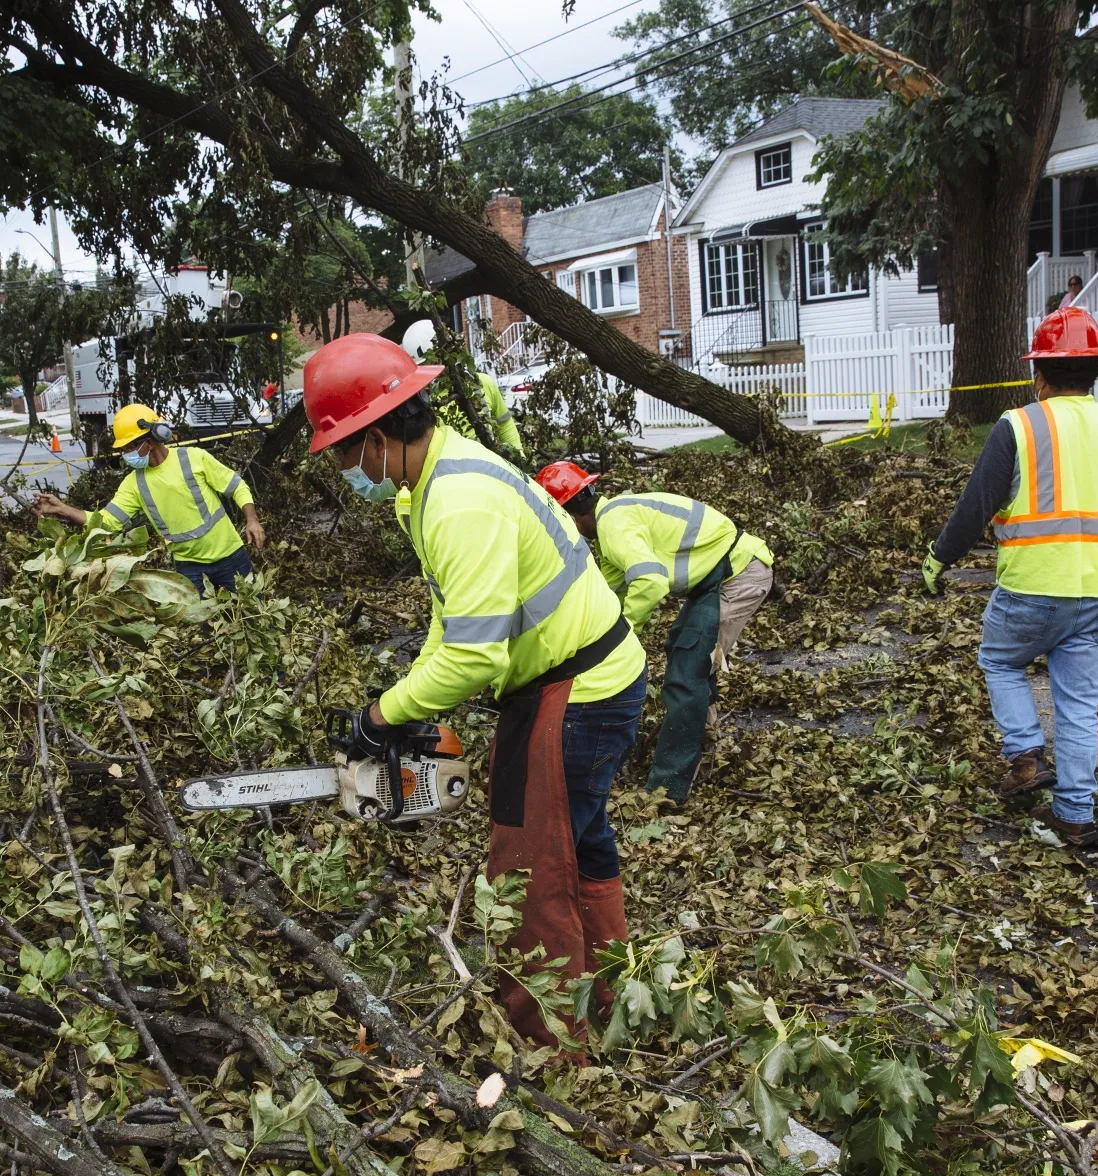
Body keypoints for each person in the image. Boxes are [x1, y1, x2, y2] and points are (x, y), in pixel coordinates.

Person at [305, 332, 646, 1048]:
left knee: (531, 863)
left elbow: (471, 654)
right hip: (575, 675)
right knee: (581, 843)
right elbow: (451, 618)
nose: (344, 466)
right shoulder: (436, 477)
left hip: (575, 686)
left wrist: (383, 714)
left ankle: (551, 1037)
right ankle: (614, 992)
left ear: (380, 431)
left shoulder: (458, 501)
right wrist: (406, 702)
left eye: (344, 449)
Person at [920, 305, 1098, 849]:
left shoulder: (1021, 425)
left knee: (1000, 660)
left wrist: (939, 559)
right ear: (1097, 371)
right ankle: (1076, 816)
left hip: (1031, 586)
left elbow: (975, 505)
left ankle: (1026, 753)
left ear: (1040, 374)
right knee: (1079, 703)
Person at [537, 463, 775, 804]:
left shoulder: (615, 527)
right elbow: (608, 596)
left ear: (568, 518)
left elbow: (650, 583)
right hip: (712, 580)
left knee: (688, 671)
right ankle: (706, 746)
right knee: (683, 651)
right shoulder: (612, 526)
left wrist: (623, 638)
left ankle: (668, 789)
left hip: (736, 576)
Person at [31, 403, 265, 594]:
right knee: (202, 633)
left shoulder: (194, 458)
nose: (125, 454)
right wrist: (61, 509)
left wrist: (252, 520)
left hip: (231, 556)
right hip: (189, 568)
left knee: (252, 619)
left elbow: (237, 486)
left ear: (150, 440)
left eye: (129, 447)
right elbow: (106, 521)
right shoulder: (134, 484)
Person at [397, 320, 522, 454]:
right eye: (422, 367)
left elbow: (505, 426)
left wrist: (520, 462)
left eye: (431, 363)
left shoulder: (482, 384)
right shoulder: (422, 403)